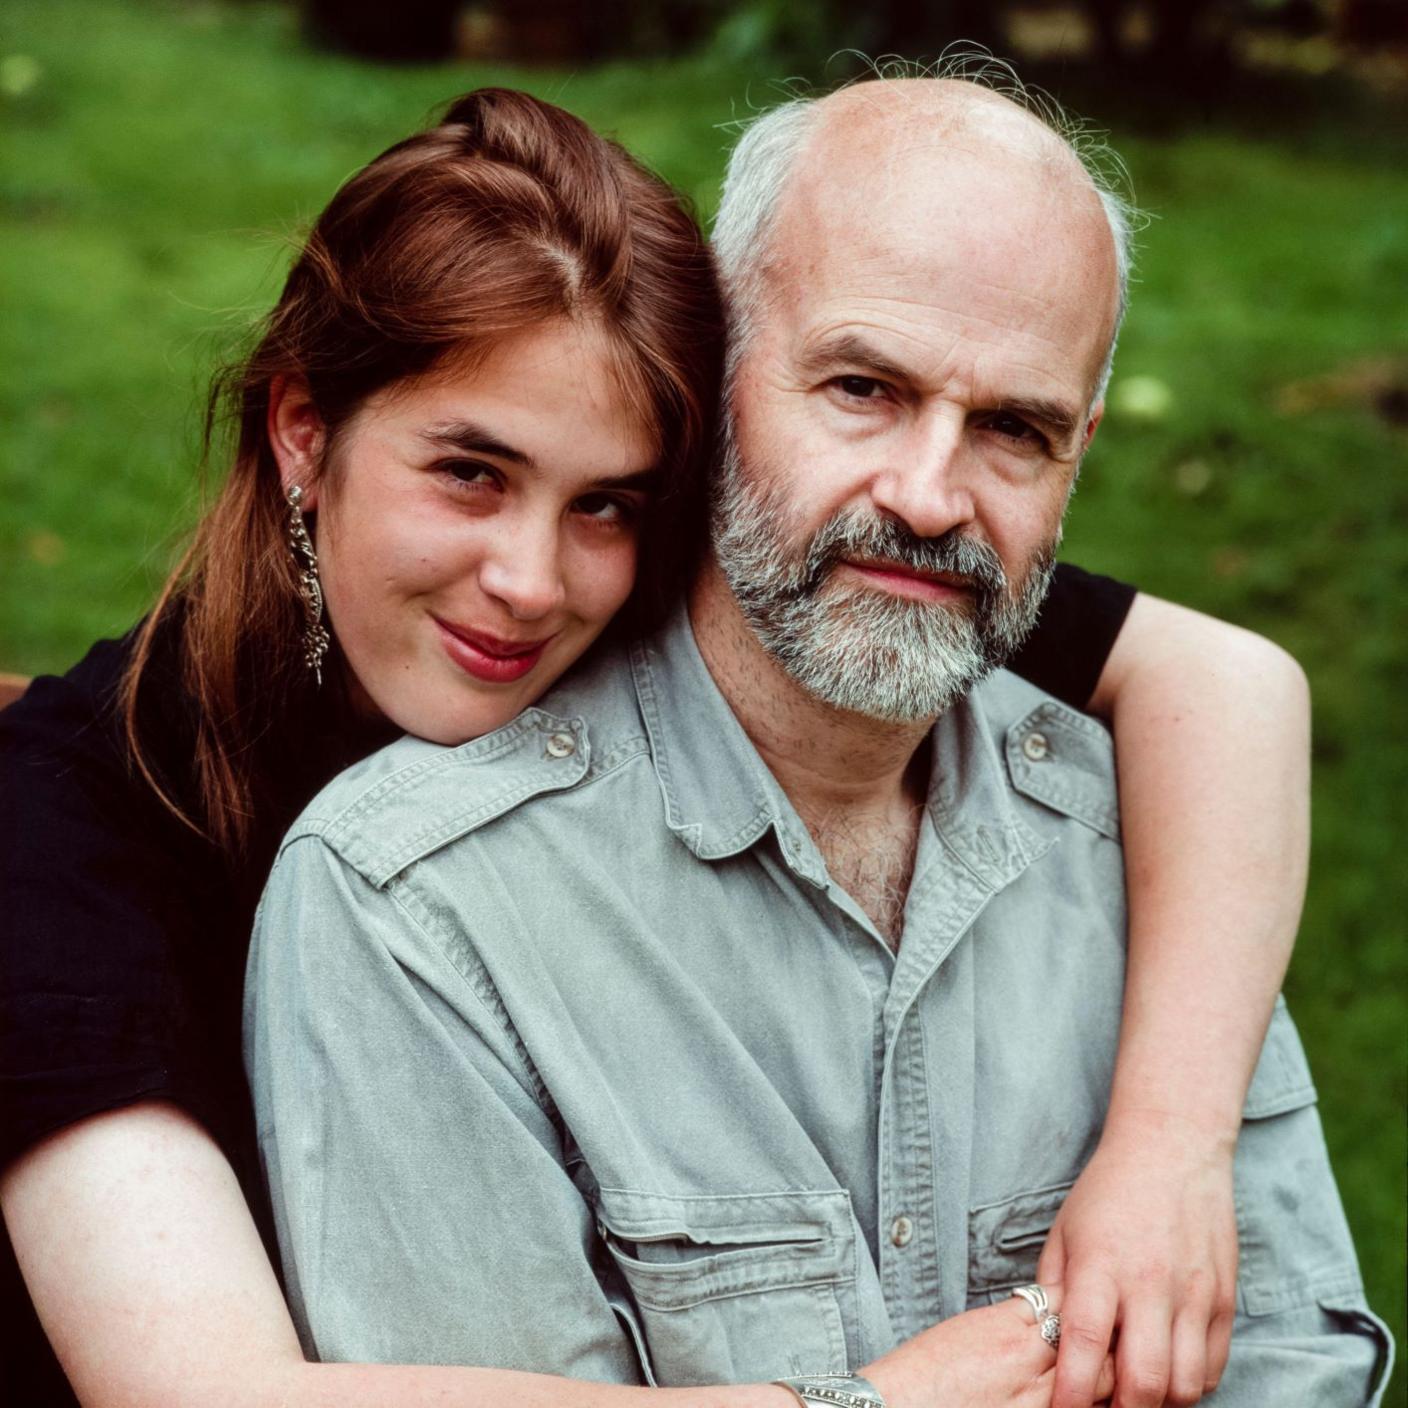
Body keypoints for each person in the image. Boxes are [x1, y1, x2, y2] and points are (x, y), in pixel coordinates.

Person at [0, 81, 1327, 1408]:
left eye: (610, 504)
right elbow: (200, 1393)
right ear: (305, 436)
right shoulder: (63, 834)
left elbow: (1228, 681)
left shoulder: (801, 559)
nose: (529, 579)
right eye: (469, 471)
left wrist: (1167, 1150)